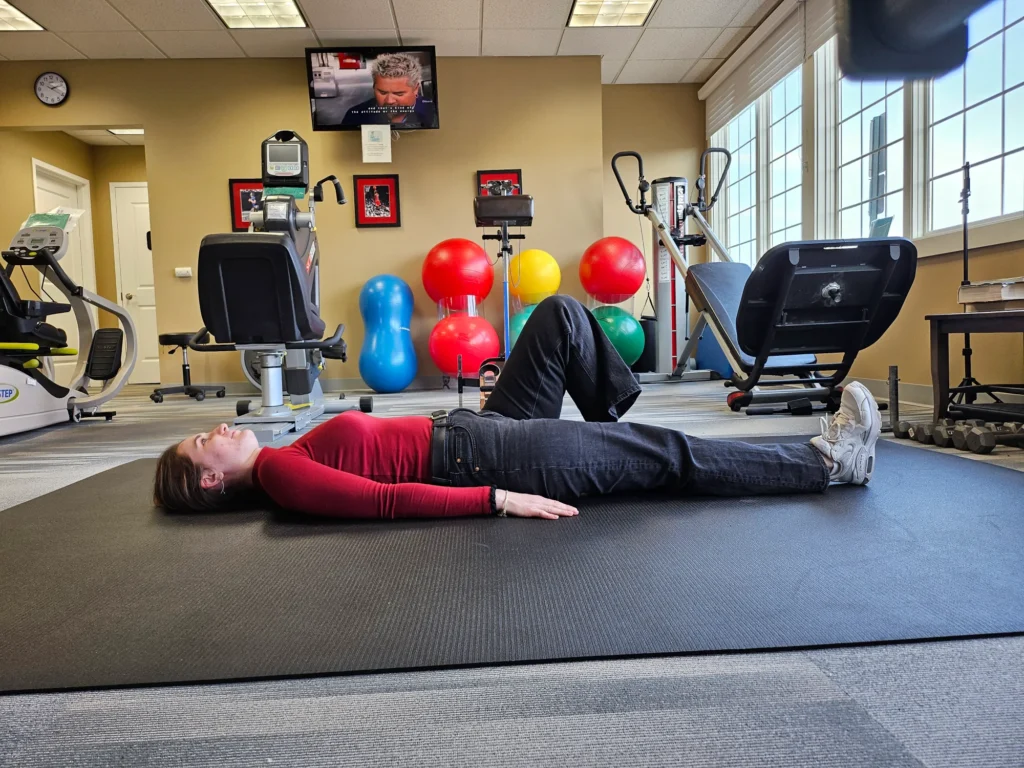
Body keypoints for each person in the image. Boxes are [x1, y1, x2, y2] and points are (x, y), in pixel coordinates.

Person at [153, 296, 881, 520]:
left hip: (481, 429)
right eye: (204, 443)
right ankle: (828, 463)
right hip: (487, 458)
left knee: (560, 316)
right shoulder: (280, 474)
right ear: (210, 480)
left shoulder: (284, 457)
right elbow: (385, 502)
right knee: (671, 452)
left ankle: (605, 443)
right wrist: (499, 499)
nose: (218, 428)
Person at [340, 52, 436, 129]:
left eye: (398, 94)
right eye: (382, 92)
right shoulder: (354, 116)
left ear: (416, 89)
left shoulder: (433, 111)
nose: (389, 101)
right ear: (374, 87)